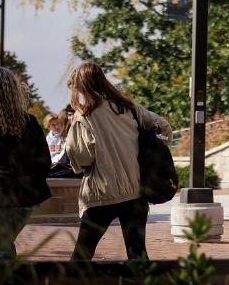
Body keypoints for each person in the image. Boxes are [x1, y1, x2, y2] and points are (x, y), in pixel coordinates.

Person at [64, 62, 171, 261]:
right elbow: (164, 127)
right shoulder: (127, 106)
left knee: (82, 254)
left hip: (102, 193)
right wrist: (152, 148)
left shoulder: (84, 115)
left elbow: (81, 157)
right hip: (135, 191)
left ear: (82, 87)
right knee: (137, 254)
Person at [0, 67, 51, 260]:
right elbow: (44, 163)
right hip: (21, 198)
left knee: (0, 246)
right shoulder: (29, 123)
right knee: (3, 243)